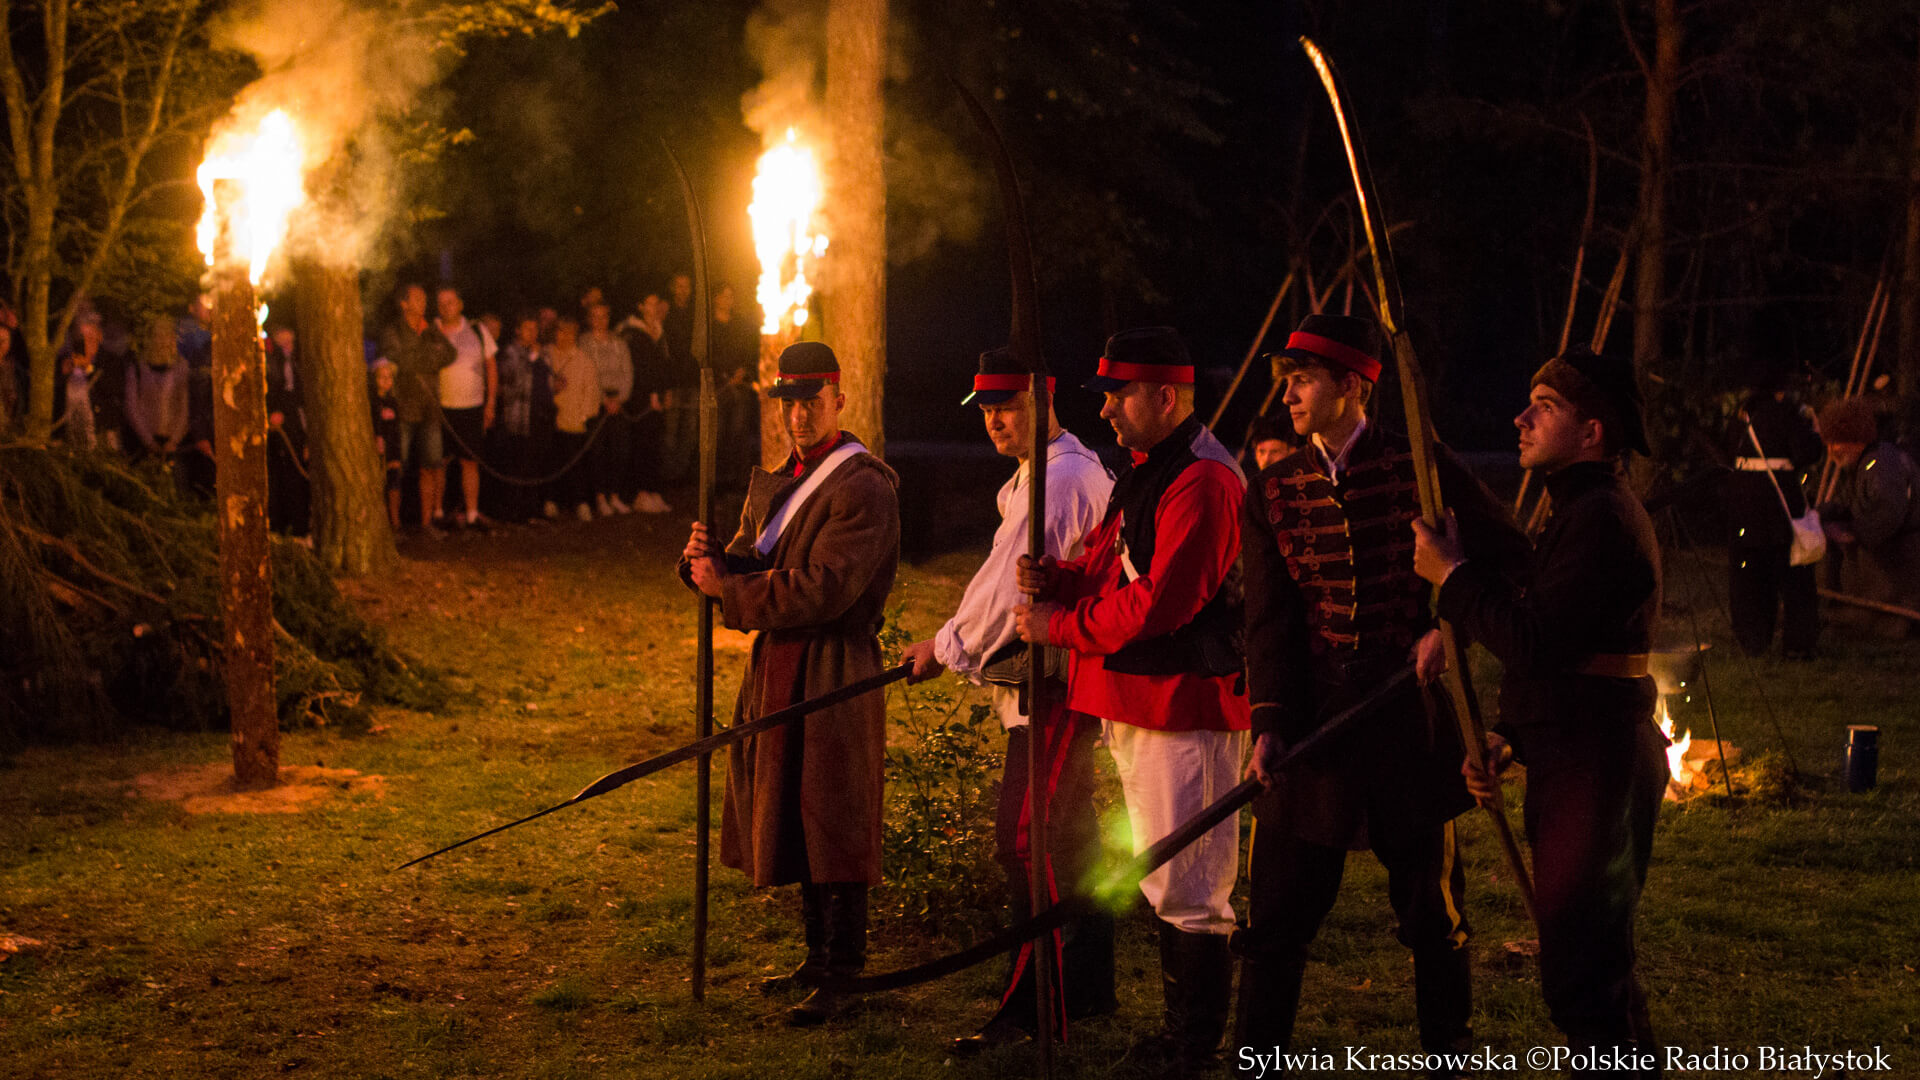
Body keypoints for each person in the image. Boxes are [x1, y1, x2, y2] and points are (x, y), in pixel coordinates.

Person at [1236, 314, 1530, 1076]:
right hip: (1313, 727)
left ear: (1353, 386)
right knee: (1274, 922)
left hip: (1411, 720)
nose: (1289, 394)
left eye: (1303, 380)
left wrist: (1449, 626)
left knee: (1434, 918)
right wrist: (1268, 722)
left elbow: (1509, 558)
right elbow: (1268, 620)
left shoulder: (1422, 469)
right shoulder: (1273, 489)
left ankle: (1450, 1058)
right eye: (1288, 380)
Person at [1413, 345, 1668, 1077]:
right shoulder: (1579, 511)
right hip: (1578, 751)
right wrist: (1510, 736)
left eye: (1545, 407)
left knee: (1586, 976)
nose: (1520, 418)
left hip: (1599, 765)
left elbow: (1534, 641)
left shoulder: (1604, 520)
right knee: (1589, 969)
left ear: (1592, 432)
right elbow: (1566, 646)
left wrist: (1454, 577)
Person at [1012, 326, 1250, 1069]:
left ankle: (1193, 1042)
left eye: (1118, 395)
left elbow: (1160, 606)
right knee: (1163, 871)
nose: (1107, 411)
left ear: (1164, 396)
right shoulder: (1153, 467)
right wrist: (1065, 582)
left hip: (1186, 705)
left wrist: (1061, 624)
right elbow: (1115, 566)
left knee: (1192, 881)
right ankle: (1184, 1032)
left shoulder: (1204, 481)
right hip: (1143, 700)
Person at [899, 347, 1116, 1054]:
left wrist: (947, 646)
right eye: (987, 409)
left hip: (1057, 680)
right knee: (1073, 837)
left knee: (1028, 839)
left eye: (1008, 405)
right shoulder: (1038, 475)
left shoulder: (1064, 478)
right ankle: (1086, 984)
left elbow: (1005, 591)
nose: (994, 420)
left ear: (1045, 400)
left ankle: (1033, 1004)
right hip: (1047, 680)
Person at [679, 341, 901, 1027]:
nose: (798, 414)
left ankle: (844, 974)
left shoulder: (862, 484)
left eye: (811, 400)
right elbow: (752, 557)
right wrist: (706, 563)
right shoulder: (785, 477)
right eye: (788, 403)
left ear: (838, 399)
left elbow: (826, 589)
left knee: (833, 813)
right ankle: (816, 958)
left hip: (833, 667)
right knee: (796, 816)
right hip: (779, 665)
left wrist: (732, 590)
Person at [1724, 380, 1824, 657]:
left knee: (1750, 579)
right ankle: (1798, 645)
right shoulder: (1786, 415)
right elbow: (1808, 452)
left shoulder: (1741, 417)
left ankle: (1753, 642)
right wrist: (1814, 430)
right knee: (1796, 579)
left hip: (1744, 508)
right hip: (1780, 510)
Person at [1817, 397, 1920, 638]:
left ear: (1856, 438)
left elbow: (1888, 512)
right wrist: (1820, 516)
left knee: (1880, 617)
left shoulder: (1882, 465)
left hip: (1901, 558)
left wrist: (1853, 534)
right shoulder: (1864, 464)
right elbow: (1848, 503)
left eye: (1837, 442)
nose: (1832, 451)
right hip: (1888, 551)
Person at [378, 284, 457, 536]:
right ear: (404, 304)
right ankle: (393, 526)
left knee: (431, 465)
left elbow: (450, 353)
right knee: (394, 467)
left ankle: (427, 524)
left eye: (424, 297)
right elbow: (400, 360)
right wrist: (428, 357)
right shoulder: (393, 331)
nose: (424, 301)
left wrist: (423, 357)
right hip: (403, 408)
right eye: (418, 298)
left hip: (430, 408)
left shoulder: (430, 329)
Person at [434, 286, 498, 531]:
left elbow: (491, 366)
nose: (446, 307)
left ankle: (472, 513)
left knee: (470, 461)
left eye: (450, 302)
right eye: (441, 303)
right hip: (441, 407)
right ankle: (438, 512)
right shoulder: (433, 331)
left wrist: (490, 402)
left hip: (471, 406)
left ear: (460, 304)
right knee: (439, 461)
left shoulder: (477, 331)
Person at [544, 317, 601, 522]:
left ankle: (580, 502)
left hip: (574, 422)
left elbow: (592, 391)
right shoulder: (547, 355)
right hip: (550, 420)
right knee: (551, 461)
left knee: (575, 465)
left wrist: (584, 415)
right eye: (561, 331)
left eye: (570, 332)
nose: (565, 336)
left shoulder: (583, 361)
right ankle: (551, 500)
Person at [581, 300, 635, 516]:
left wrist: (619, 399)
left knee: (620, 450)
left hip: (617, 402)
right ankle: (600, 497)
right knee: (598, 451)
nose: (600, 321)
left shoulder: (618, 342)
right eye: (596, 316)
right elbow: (586, 372)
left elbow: (628, 372)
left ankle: (615, 495)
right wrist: (602, 398)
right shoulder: (584, 343)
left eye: (604, 316)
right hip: (596, 402)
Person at [123, 316, 192, 469]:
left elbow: (184, 407)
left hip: (173, 445)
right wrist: (148, 441)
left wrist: (174, 440)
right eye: (157, 336)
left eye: (166, 336)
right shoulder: (137, 367)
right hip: (143, 443)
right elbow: (131, 406)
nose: (161, 341)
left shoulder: (181, 367)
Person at [263, 323, 310, 537]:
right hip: (277, 424)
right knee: (278, 474)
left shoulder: (297, 361)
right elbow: (271, 387)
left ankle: (298, 526)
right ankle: (278, 526)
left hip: (295, 424)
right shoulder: (270, 358)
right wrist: (273, 410)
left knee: (295, 473)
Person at [368, 359, 404, 531]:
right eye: (381, 377)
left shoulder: (393, 402)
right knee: (378, 485)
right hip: (376, 450)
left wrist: (396, 453)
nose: (386, 381)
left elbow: (396, 429)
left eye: (389, 377)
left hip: (391, 448)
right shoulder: (371, 402)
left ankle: (395, 520)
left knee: (394, 482)